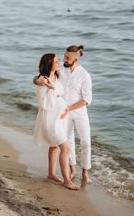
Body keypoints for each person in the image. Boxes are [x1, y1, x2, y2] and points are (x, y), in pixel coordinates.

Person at [34, 45, 92, 184]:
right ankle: (72, 170)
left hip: (78, 112)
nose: (64, 60)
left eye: (67, 58)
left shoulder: (84, 75)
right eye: (64, 56)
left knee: (85, 142)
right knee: (68, 141)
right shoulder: (62, 70)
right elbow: (44, 76)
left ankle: (85, 172)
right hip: (61, 113)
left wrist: (69, 108)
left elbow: (87, 99)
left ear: (76, 58)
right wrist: (37, 80)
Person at [33, 53, 79, 190]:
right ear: (49, 64)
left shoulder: (56, 75)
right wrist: (51, 88)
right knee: (65, 147)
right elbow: (43, 105)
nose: (59, 63)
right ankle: (66, 180)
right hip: (49, 119)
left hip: (59, 119)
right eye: (56, 61)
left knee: (54, 146)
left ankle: (51, 173)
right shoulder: (43, 81)